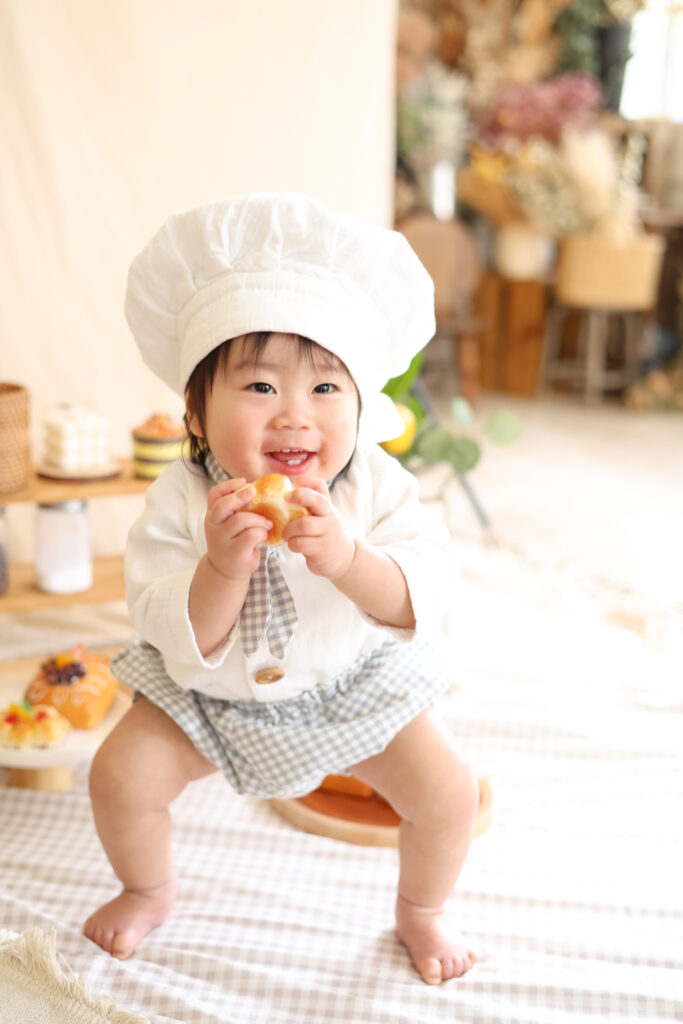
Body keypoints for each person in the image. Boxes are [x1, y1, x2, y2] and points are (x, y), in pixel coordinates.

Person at [83, 193, 479, 985]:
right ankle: (147, 888)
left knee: (449, 793)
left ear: (362, 406)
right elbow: (163, 620)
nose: (295, 416)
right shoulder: (181, 499)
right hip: (207, 700)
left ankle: (422, 909)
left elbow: (423, 591)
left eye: (326, 390)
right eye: (260, 388)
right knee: (118, 776)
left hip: (351, 686)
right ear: (195, 411)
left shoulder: (375, 485)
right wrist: (220, 568)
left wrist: (349, 560)